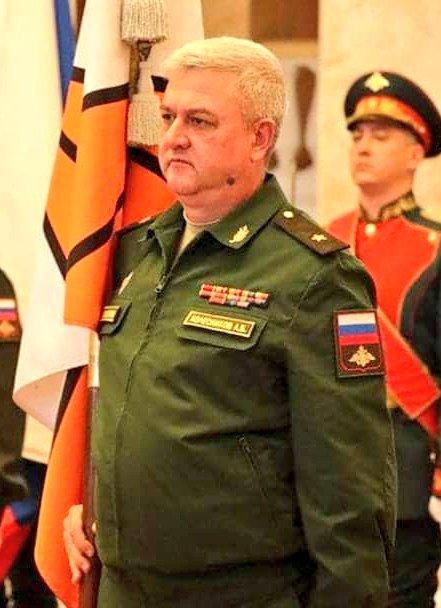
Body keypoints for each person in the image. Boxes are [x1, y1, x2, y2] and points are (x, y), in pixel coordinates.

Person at [63, 38, 396, 607]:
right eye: (168, 117)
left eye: (199, 121)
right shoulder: (136, 251)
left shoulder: (313, 275)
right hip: (123, 589)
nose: (173, 137)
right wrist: (93, 503)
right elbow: (124, 406)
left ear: (260, 139)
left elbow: (349, 499)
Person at [328, 71, 441, 607]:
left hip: (407, 486)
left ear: (416, 153)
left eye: (381, 134)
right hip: (326, 480)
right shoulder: (323, 241)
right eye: (357, 134)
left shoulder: (436, 249)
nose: (363, 145)